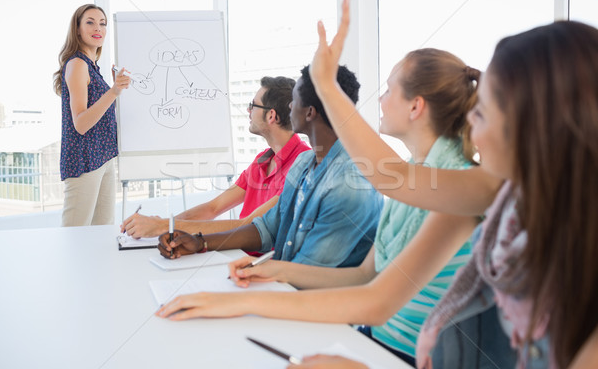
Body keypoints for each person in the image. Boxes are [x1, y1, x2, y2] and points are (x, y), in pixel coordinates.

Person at [297, 0, 598, 369]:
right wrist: (324, 84)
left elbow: (376, 289)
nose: (472, 128)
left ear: (534, 131)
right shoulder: (505, 197)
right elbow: (396, 179)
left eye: (483, 114)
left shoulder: (481, 190)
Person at [154, 47, 480, 368]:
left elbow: (375, 299)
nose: (379, 100)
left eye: (389, 90)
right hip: (374, 339)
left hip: (406, 354)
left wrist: (237, 301)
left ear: (416, 107)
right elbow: (366, 275)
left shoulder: (451, 190)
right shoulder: (413, 175)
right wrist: (271, 269)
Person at [157, 65, 383, 268]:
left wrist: (256, 272)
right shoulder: (305, 164)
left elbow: (307, 271)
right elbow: (267, 227)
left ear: (310, 112)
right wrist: (200, 242)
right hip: (284, 283)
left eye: (294, 100)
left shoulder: (347, 186)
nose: (289, 106)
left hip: (312, 301)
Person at [120, 76, 310, 238]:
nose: (248, 111)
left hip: (259, 264)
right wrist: (164, 225)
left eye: (252, 106)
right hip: (238, 253)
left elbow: (250, 226)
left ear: (272, 116)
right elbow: (213, 208)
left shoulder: (303, 164)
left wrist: (165, 227)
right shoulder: (263, 160)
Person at [53, 4, 130, 227]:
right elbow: (81, 123)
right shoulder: (77, 64)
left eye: (102, 23)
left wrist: (114, 88)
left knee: (102, 231)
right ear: (77, 29)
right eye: (90, 22)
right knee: (75, 235)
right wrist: (113, 91)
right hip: (84, 160)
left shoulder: (92, 67)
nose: (98, 28)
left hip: (104, 158)